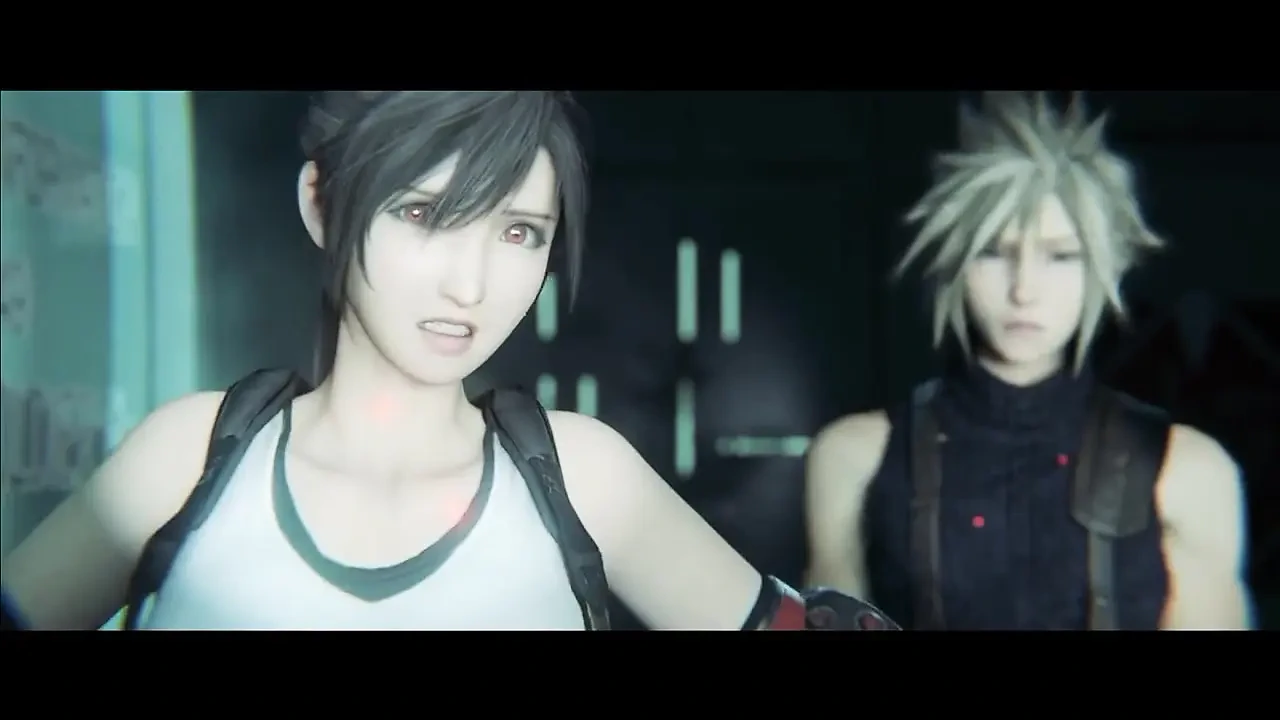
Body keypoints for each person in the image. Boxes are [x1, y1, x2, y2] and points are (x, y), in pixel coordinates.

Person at [1, 91, 893, 631]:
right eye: (425, 215)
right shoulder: (189, 455)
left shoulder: (584, 477)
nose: (470, 284)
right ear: (321, 205)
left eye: (519, 232)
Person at [805, 92, 1253, 631]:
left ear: (1102, 268)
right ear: (954, 261)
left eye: (1060, 256)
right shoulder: (855, 457)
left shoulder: (1188, 471)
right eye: (994, 251)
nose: (1024, 290)